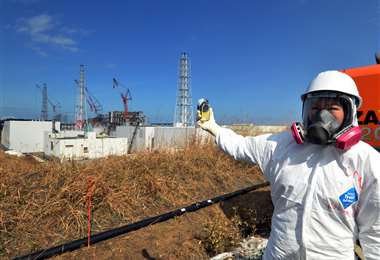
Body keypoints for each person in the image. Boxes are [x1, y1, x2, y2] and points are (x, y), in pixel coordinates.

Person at [197, 70, 380, 260]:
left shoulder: (367, 161)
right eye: (315, 107)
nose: (322, 115)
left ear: (350, 112)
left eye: (332, 108)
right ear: (305, 109)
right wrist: (215, 128)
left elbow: (375, 230)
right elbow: (241, 146)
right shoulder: (280, 147)